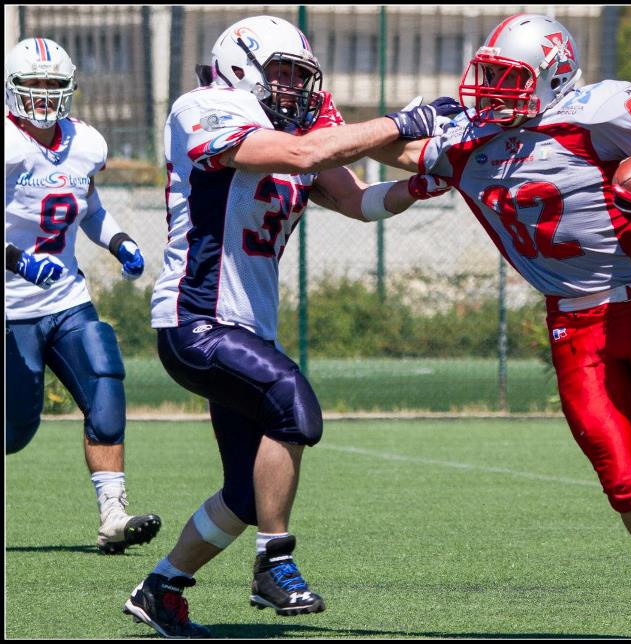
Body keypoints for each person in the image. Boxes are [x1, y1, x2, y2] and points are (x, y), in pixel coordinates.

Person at [373, 14, 631, 639]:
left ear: (557, 77)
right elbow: (394, 150)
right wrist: (357, 129)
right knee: (620, 483)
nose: (491, 90)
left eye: (511, 78)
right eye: (490, 74)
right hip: (575, 324)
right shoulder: (468, 139)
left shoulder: (598, 115)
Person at [123, 15, 454, 638]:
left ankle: (161, 588)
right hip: (196, 318)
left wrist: (419, 183)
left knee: (245, 496)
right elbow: (307, 152)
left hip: (247, 328)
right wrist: (404, 121)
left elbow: (358, 201)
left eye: (300, 77)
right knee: (293, 407)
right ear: (240, 65)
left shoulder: (290, 132)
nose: (292, 88)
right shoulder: (205, 108)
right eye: (281, 72)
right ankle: (274, 564)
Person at [5, 38, 162, 555]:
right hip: (10, 306)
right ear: (13, 89)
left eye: (54, 87)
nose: (45, 98)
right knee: (15, 429)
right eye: (34, 87)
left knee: (104, 382)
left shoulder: (87, 142)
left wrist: (119, 241)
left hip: (65, 297)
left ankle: (113, 515)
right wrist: (18, 259)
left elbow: (87, 206)